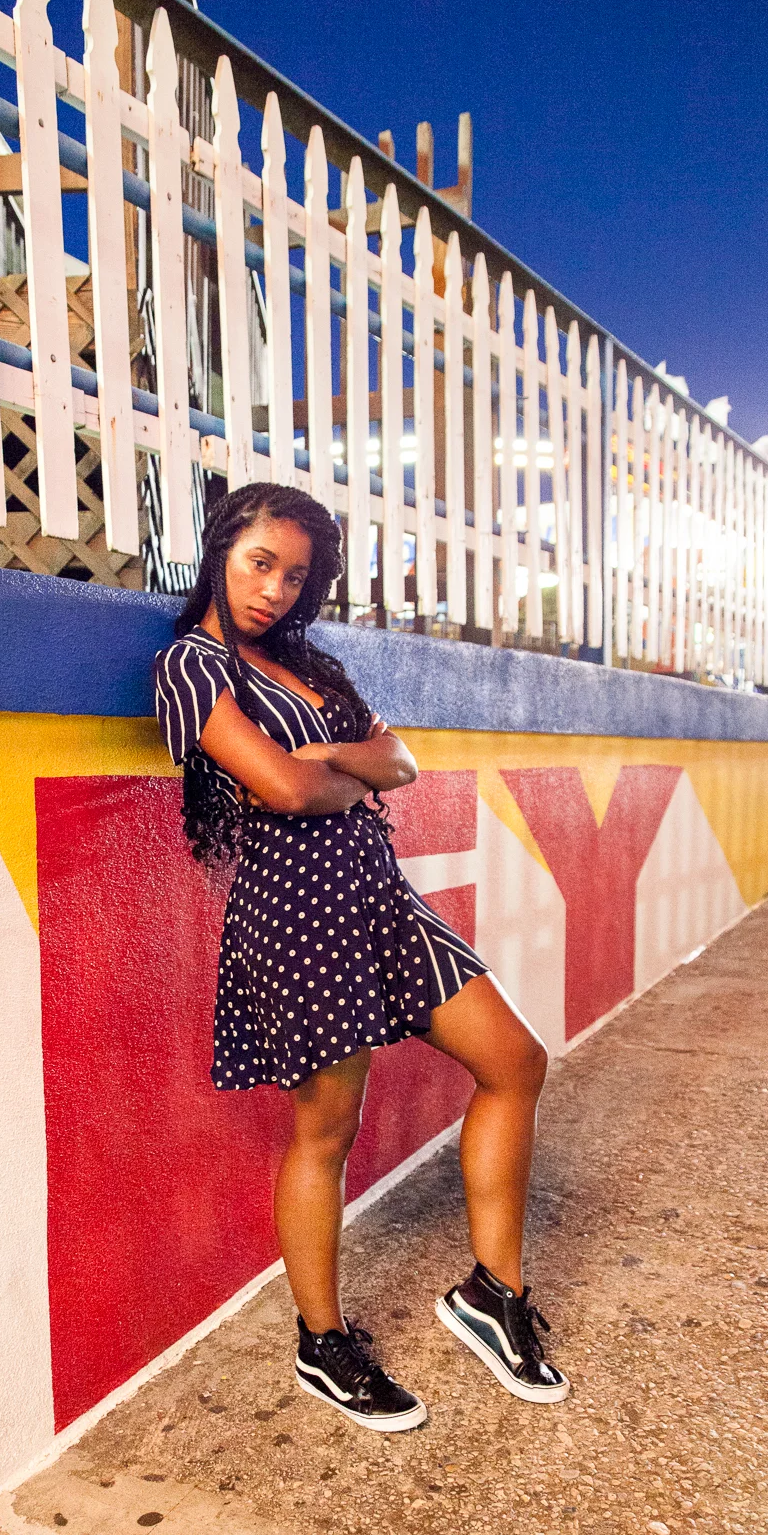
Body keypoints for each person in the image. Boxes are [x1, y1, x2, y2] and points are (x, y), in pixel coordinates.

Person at [153, 482, 568, 1433]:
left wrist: (325, 763)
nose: (274, 590)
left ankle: (491, 1295)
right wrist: (339, 766)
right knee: (326, 1129)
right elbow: (286, 793)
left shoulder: (308, 666)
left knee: (514, 1062)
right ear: (220, 555)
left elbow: (401, 763)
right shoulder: (188, 666)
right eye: (260, 564)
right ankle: (322, 1342)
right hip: (295, 913)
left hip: (379, 896)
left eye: (295, 576)